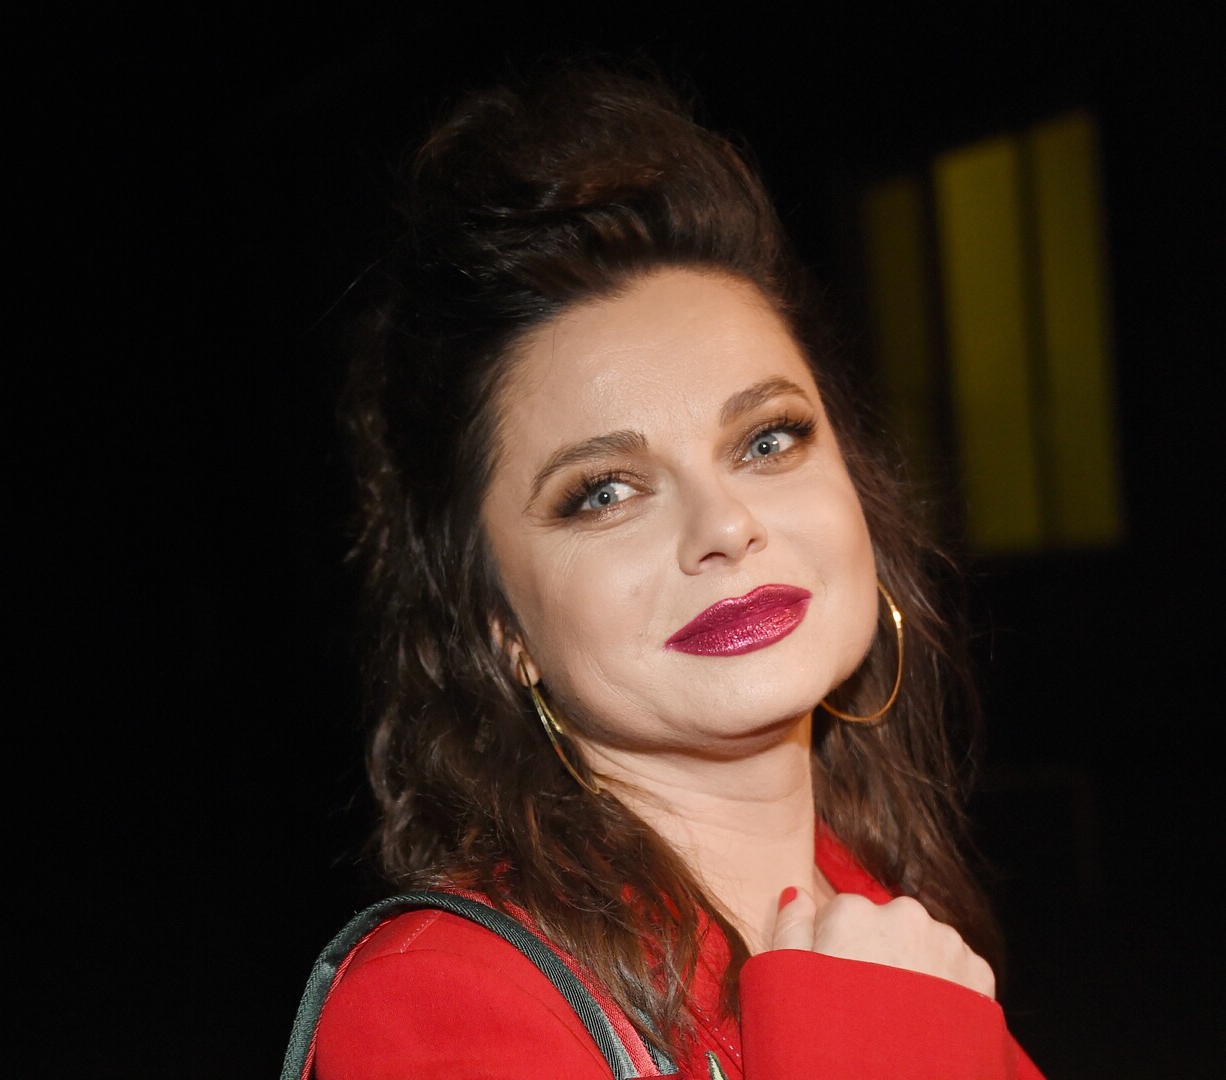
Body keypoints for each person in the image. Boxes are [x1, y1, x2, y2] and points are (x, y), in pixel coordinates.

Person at [287, 64, 1044, 1079]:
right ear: (499, 624)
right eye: (604, 492)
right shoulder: (436, 996)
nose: (725, 525)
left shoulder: (886, 916)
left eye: (769, 439)